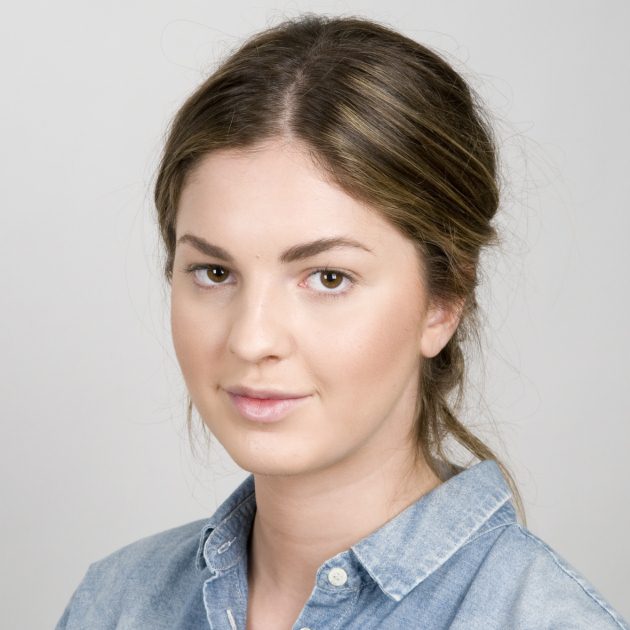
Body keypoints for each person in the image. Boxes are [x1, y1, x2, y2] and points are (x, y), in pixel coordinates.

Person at [55, 13, 628, 630]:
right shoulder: (118, 603)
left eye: (328, 277)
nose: (251, 339)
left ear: (444, 300)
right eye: (214, 272)